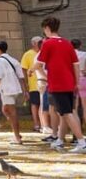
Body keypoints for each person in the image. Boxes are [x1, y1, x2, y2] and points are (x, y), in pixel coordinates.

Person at [33, 17, 86, 152]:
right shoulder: (67, 43)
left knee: (66, 113)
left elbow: (39, 64)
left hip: (57, 84)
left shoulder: (48, 43)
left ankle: (81, 141)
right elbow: (76, 65)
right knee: (64, 113)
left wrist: (31, 69)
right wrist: (75, 82)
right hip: (69, 83)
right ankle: (60, 140)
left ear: (47, 28)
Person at [0, 41, 28, 144]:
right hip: (15, 89)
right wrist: (25, 90)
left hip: (7, 89)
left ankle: (17, 137)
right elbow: (21, 77)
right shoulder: (14, 60)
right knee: (6, 110)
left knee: (12, 112)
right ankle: (16, 132)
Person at [21, 36, 46, 133]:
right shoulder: (28, 54)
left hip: (44, 82)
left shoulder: (43, 52)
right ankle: (36, 124)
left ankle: (45, 124)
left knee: (45, 105)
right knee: (35, 104)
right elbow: (23, 69)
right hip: (34, 84)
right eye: (39, 42)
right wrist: (25, 84)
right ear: (34, 43)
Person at [72, 38, 86, 127]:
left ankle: (77, 130)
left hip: (73, 81)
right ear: (80, 45)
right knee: (85, 107)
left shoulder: (69, 54)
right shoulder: (84, 54)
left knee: (75, 108)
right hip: (83, 79)